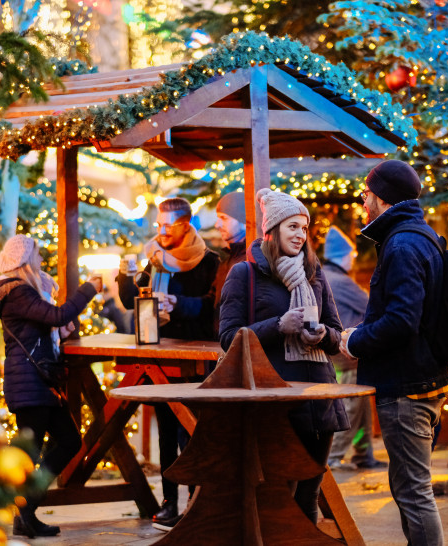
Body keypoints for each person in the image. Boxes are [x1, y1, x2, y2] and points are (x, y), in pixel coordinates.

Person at [340, 159, 448, 546]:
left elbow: (402, 320)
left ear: (381, 197)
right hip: (423, 379)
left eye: (366, 194)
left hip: (407, 386)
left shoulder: (403, 244)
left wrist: (355, 340)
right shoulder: (419, 236)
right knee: (411, 489)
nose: (363, 201)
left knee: (413, 493)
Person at [219, 188, 348, 524]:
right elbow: (229, 338)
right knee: (273, 498)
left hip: (318, 401)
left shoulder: (315, 273)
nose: (300, 235)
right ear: (272, 230)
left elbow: (336, 332)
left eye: (304, 228)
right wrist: (279, 325)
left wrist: (323, 334)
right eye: (293, 227)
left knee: (308, 498)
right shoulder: (245, 274)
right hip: (273, 402)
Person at [0, 235, 102, 538]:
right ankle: (19, 509)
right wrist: (89, 289)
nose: (39, 259)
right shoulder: (19, 292)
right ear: (24, 260)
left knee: (67, 442)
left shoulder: (25, 292)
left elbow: (52, 321)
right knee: (29, 453)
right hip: (30, 383)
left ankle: (25, 510)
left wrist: (58, 326)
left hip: (40, 381)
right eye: (35, 254)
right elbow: (57, 314)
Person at [117, 197, 220, 530]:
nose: (160, 231)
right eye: (157, 225)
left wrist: (178, 304)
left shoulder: (209, 262)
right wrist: (123, 277)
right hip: (160, 356)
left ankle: (197, 500)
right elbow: (133, 302)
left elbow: (213, 307)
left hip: (195, 359)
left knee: (189, 431)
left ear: (186, 224)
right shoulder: (155, 260)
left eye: (167, 225)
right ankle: (169, 501)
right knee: (165, 432)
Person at [322, 227, 387, 471]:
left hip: (340, 353)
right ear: (342, 256)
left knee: (360, 408)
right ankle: (332, 456)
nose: (353, 259)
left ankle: (364, 454)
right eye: (351, 254)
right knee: (351, 405)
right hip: (347, 354)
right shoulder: (340, 281)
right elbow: (371, 305)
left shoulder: (327, 275)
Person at [211, 191, 248, 337]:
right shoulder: (227, 261)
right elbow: (212, 303)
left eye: (224, 218)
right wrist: (178, 303)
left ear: (244, 221)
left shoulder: (251, 260)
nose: (217, 224)